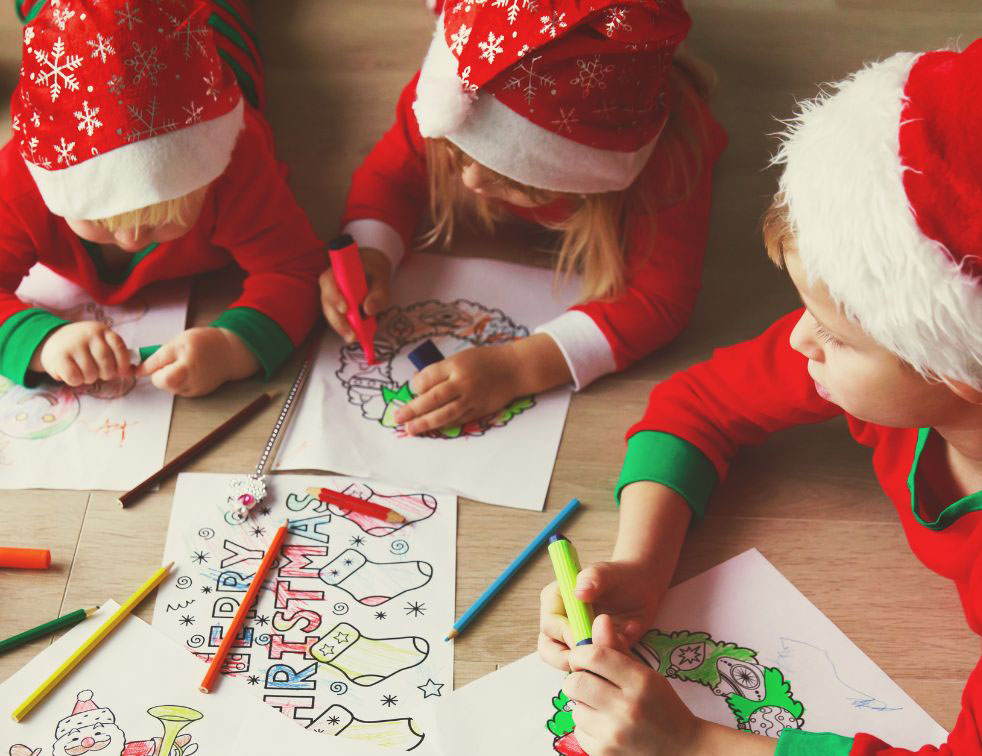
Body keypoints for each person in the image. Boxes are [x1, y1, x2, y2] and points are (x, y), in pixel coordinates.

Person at [539, 15, 982, 756]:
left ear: (975, 369)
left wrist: (691, 752)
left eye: (834, 334)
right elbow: (695, 405)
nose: (797, 342)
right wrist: (642, 565)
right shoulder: (908, 360)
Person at [322, 0, 725, 435]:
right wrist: (370, 250)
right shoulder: (453, 89)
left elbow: (659, 301)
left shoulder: (669, 161)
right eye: (456, 153)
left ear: (592, 174)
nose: (472, 180)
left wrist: (518, 366)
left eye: (511, 174)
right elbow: (390, 179)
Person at [1, 0, 324, 396]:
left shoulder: (235, 162)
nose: (132, 240)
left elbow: (298, 270)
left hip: (205, 45)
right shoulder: (21, 180)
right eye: (101, 219)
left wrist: (232, 347)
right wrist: (42, 344)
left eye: (162, 217)